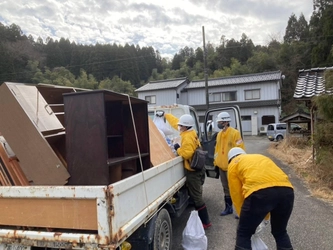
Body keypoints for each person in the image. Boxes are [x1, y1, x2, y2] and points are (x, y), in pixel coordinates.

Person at [227, 147, 294, 250]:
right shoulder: (260, 157)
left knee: (244, 233)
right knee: (280, 231)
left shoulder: (233, 164)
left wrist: (244, 218)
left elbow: (237, 195)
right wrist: (265, 218)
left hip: (259, 192)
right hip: (287, 190)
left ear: (229, 159)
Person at [160, 112, 212, 229]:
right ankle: (203, 219)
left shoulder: (187, 137)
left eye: (181, 125)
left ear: (185, 126)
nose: (179, 126)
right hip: (198, 167)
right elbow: (175, 123)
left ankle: (205, 222)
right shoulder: (190, 131)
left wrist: (178, 148)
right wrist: (166, 115)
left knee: (197, 197)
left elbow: (187, 154)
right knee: (196, 193)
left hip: (193, 171)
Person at [213, 111, 245, 216]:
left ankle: (240, 210)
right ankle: (228, 208)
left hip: (232, 166)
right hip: (221, 167)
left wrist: (237, 164)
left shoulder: (235, 133)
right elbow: (217, 150)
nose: (219, 123)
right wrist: (215, 162)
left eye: (221, 122)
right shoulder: (219, 135)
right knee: (225, 188)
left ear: (226, 122)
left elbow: (240, 149)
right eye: (219, 122)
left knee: (236, 188)